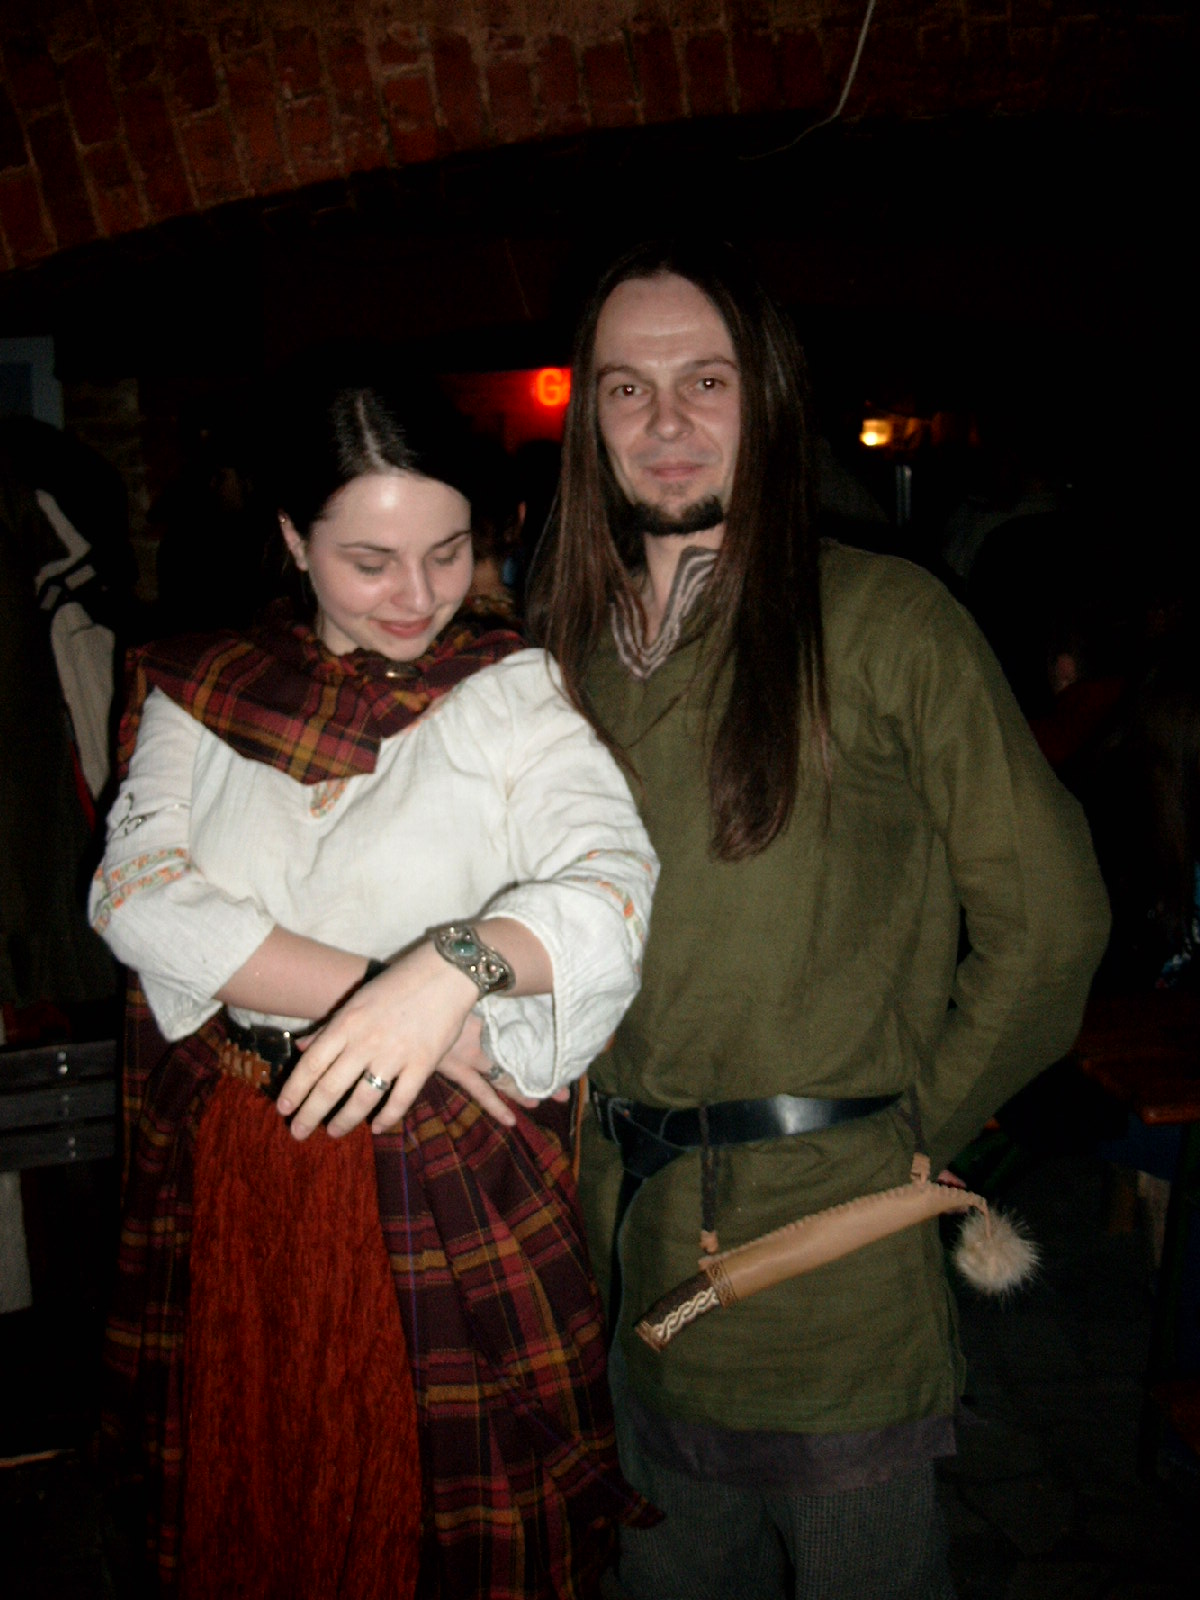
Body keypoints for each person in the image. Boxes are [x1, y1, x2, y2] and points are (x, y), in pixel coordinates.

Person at [528, 241, 1111, 1600]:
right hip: (625, 1253)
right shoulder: (564, 657)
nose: (665, 421)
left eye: (706, 380)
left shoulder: (884, 621)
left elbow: (1049, 926)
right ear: (591, 424)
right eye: (626, 389)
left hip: (827, 1270)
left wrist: (907, 1134)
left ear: (771, 398)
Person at [90, 371, 658, 1598]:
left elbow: (612, 884)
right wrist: (387, 997)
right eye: (370, 561)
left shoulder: (512, 692)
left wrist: (453, 969)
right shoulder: (204, 687)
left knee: (450, 1519)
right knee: (262, 1491)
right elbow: (138, 897)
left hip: (445, 1168)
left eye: (448, 552)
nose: (417, 597)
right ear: (295, 541)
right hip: (246, 1161)